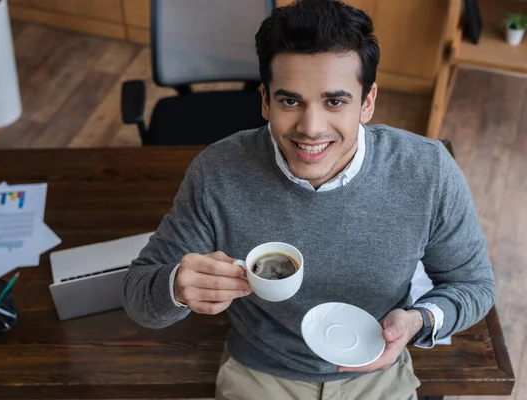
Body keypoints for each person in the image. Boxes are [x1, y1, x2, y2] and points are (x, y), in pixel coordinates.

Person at [122, 1, 495, 399]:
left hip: (377, 372)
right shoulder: (217, 172)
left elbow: (472, 285)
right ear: (265, 100)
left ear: (367, 102)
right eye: (290, 101)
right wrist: (176, 287)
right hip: (260, 372)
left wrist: (418, 321)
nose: (311, 129)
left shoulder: (429, 171)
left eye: (335, 101)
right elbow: (138, 296)